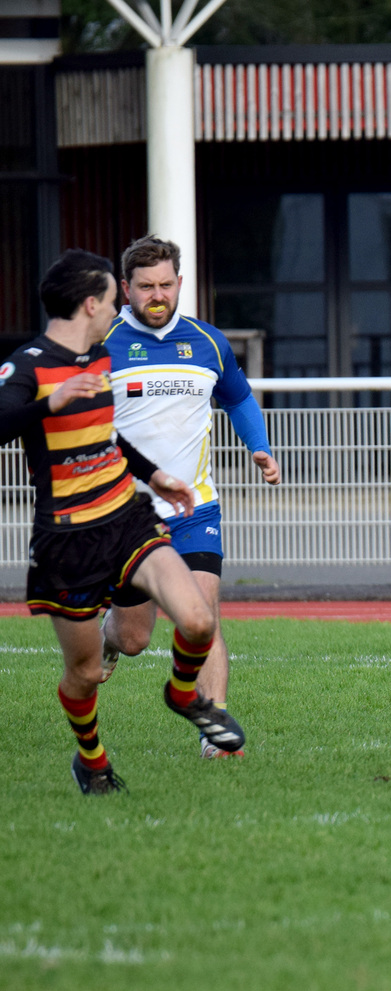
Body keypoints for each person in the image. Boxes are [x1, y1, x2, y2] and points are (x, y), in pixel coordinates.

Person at [0, 250, 245, 794]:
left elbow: (109, 438)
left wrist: (154, 476)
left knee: (198, 619)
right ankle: (91, 759)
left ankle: (184, 694)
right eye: (114, 300)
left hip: (128, 518)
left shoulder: (101, 358)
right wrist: (49, 405)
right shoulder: (30, 365)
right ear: (91, 303)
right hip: (67, 537)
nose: (121, 310)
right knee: (87, 673)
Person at [98, 235, 280, 757]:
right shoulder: (102, 344)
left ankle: (214, 732)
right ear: (126, 289)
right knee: (135, 639)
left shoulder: (207, 342)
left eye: (166, 285)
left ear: (180, 283)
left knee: (203, 616)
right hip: (126, 514)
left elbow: (238, 398)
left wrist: (260, 447)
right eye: (146, 287)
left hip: (194, 508)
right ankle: (110, 637)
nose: (157, 295)